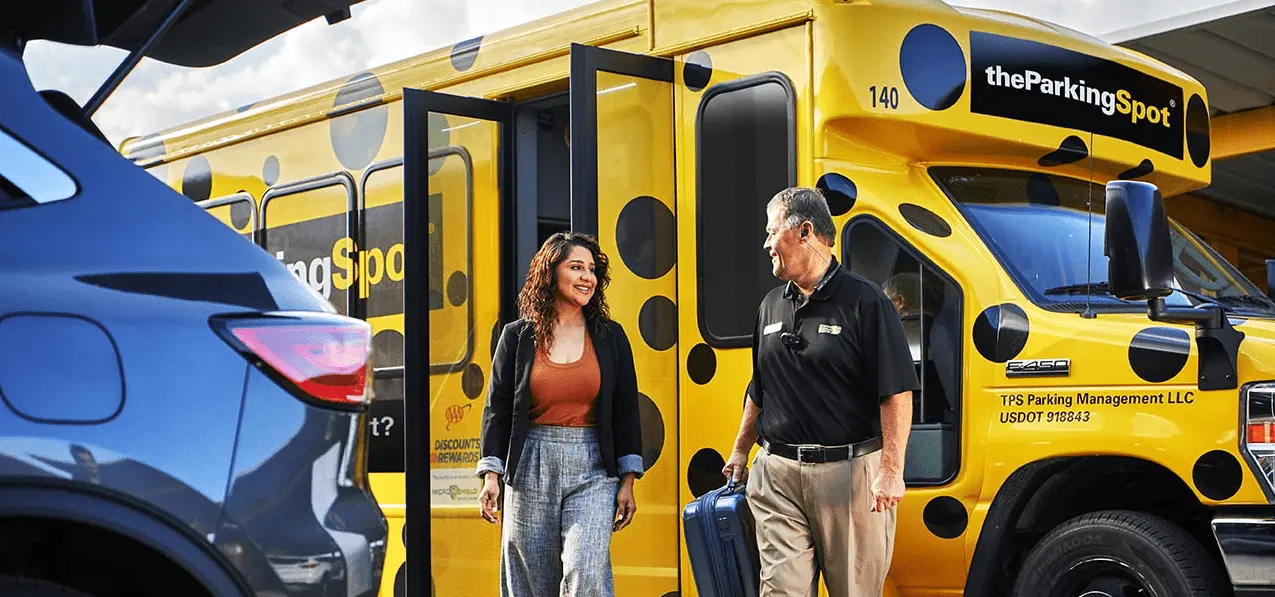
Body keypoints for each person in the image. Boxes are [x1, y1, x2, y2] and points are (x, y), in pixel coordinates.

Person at [722, 187, 919, 597]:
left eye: (771, 231)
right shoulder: (771, 306)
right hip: (777, 475)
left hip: (849, 477)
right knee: (780, 591)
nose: (765, 244)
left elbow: (897, 393)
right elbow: (759, 387)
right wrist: (741, 449)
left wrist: (891, 471)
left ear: (805, 232)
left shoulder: (865, 302)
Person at [475, 231, 645, 597]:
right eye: (577, 267)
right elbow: (497, 409)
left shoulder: (611, 336)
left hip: (594, 467)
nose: (588, 277)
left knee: (586, 571)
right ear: (551, 273)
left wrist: (628, 478)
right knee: (531, 579)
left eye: (592, 270)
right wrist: (491, 473)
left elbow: (627, 409)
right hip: (530, 463)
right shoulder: (516, 337)